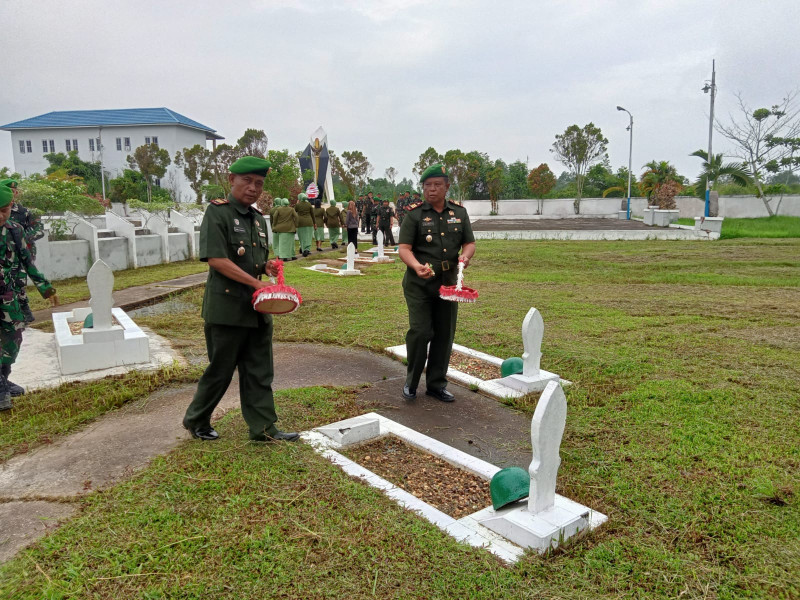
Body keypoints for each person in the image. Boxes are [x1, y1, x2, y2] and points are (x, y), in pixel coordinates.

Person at [182, 156, 299, 442]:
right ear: (231, 179)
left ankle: (263, 429)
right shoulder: (217, 213)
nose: (253, 188)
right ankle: (196, 419)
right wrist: (256, 282)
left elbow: (252, 260)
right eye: (247, 181)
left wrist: (266, 267)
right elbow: (217, 259)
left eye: (259, 183)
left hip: (257, 308)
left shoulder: (258, 219)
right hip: (227, 308)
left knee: (259, 370)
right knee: (220, 370)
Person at [397, 163, 475, 403]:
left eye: (437, 185)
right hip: (419, 284)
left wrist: (465, 257)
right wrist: (416, 265)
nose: (431, 189)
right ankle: (411, 382)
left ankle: (436, 385)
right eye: (427, 185)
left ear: (447, 187)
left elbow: (469, 243)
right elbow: (404, 248)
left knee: (444, 334)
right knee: (421, 332)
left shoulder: (459, 213)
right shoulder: (414, 214)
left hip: (448, 285)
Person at [0, 184, 59, 410]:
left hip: (9, 297)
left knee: (14, 338)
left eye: (4, 210)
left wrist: (47, 289)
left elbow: (28, 262)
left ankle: (4, 377)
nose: (1, 216)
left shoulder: (15, 230)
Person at [2, 179, 44, 323]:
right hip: (4, 253)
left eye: (13, 191)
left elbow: (39, 230)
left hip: (22, 253)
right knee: (8, 281)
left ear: (16, 193)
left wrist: (21, 239)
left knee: (18, 280)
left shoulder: (24, 212)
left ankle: (24, 309)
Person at [294, 192, 314, 257]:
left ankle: (303, 248)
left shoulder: (298, 205)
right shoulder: (309, 204)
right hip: (309, 222)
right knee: (308, 236)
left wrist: (297, 203)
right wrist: (314, 223)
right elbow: (312, 214)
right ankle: (307, 249)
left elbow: (294, 212)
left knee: (302, 237)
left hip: (300, 222)